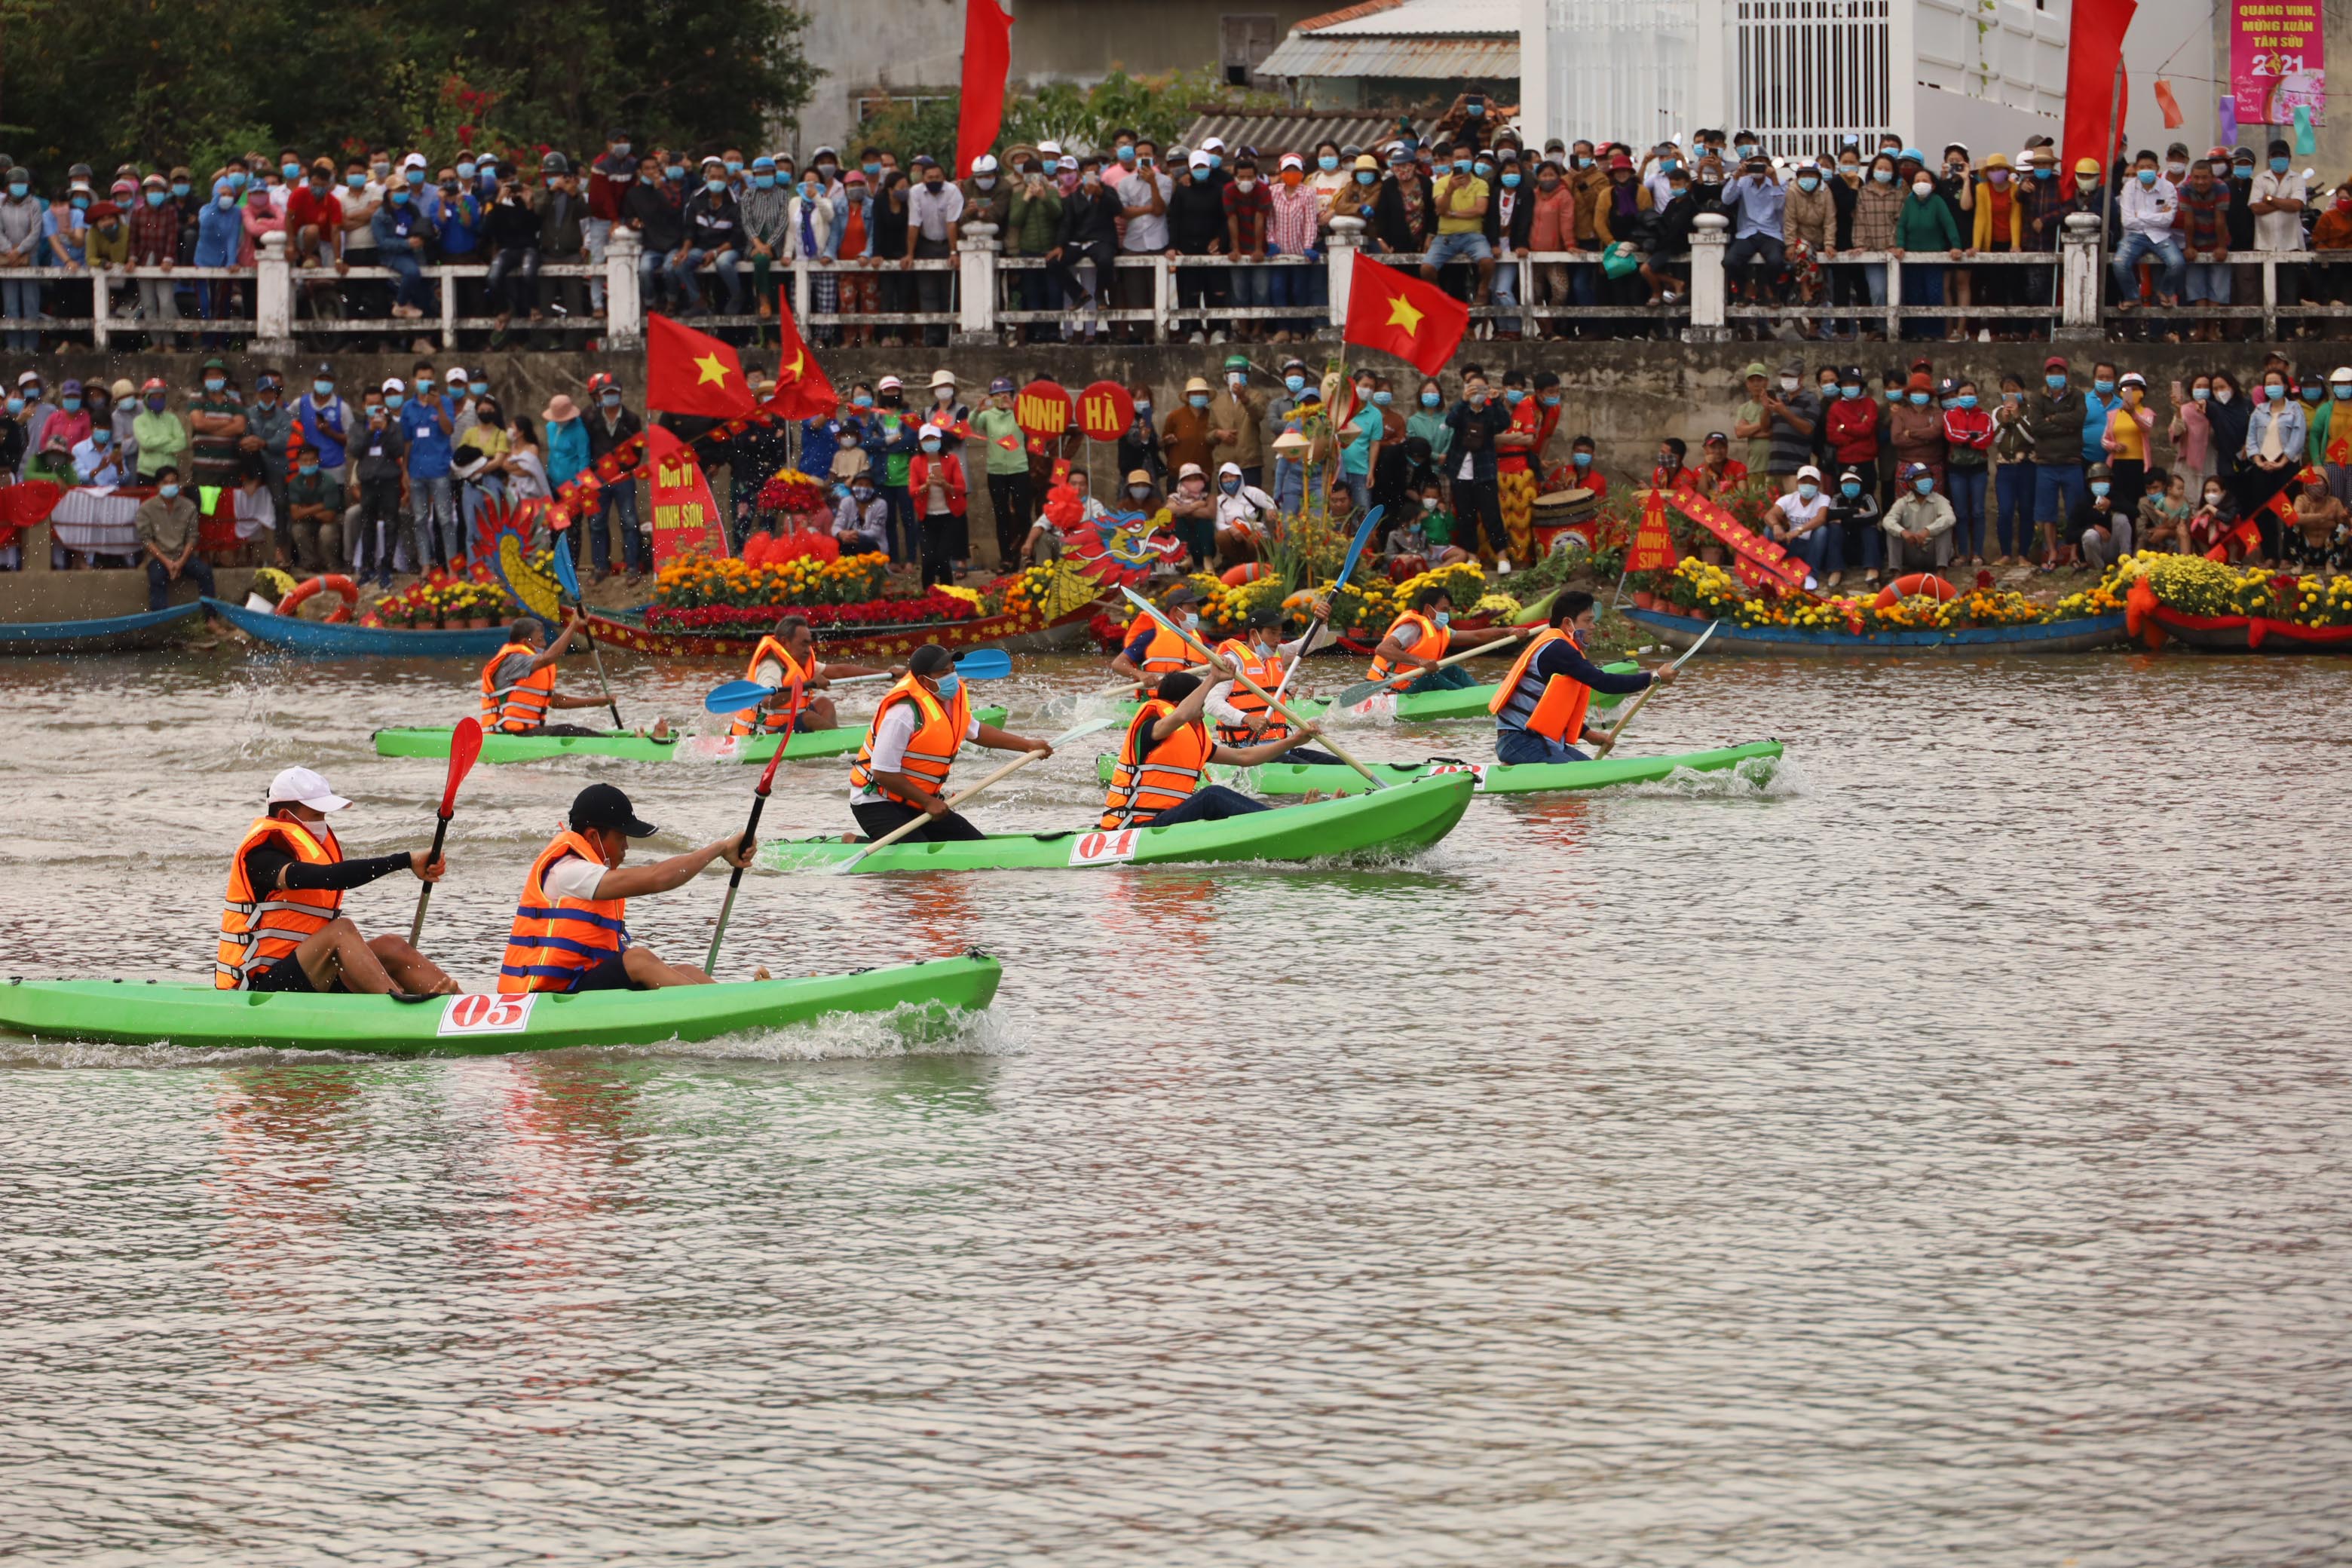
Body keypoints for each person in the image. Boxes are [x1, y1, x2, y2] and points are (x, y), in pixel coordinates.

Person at [218, 766, 457, 996]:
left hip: (312, 975)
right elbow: (328, 877)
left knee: (391, 946)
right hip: (262, 985)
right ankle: (398, 1005)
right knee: (341, 931)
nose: (322, 822)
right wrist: (405, 860)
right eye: (315, 815)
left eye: (323, 815)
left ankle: (461, 1008)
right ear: (283, 816)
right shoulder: (262, 856)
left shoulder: (307, 848)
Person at [499, 783, 754, 994]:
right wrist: (719, 849)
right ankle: (718, 1010)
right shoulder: (568, 873)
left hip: (580, 983)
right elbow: (658, 879)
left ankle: (740, 1003)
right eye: (621, 837)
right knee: (638, 960)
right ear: (592, 837)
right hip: (544, 996)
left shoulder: (586, 870)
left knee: (685, 971)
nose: (626, 847)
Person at [847, 645, 1054, 844]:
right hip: (877, 801)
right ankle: (854, 842)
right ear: (924, 680)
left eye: (953, 670)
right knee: (917, 859)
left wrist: (1027, 745)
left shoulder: (949, 700)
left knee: (975, 845)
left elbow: (977, 732)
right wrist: (929, 802)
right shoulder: (902, 713)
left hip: (916, 800)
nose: (952, 677)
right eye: (943, 673)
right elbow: (883, 773)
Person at [1101, 668, 1328, 828]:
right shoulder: (1152, 728)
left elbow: (1245, 756)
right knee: (1211, 796)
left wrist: (1293, 741)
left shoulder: (1196, 741)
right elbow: (1181, 715)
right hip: (1133, 826)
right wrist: (1212, 678)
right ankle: (1285, 821)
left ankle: (1280, 819)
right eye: (1200, 707)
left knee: (1213, 799)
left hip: (1166, 821)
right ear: (1184, 703)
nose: (1203, 714)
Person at [1490, 591, 1666, 765]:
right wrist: (1655, 677)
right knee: (1584, 786)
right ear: (1568, 623)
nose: (1593, 626)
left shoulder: (1561, 646)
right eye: (1588, 620)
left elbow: (1551, 708)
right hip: (1519, 742)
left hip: (1539, 741)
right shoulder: (1558, 648)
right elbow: (1604, 683)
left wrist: (1588, 734)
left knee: (1593, 773)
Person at [1206, 603, 1342, 765]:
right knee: (1305, 766)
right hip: (1246, 750)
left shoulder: (1277, 654)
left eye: (1279, 634)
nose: (1277, 639)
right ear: (1254, 634)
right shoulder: (1233, 662)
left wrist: (1321, 622)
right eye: (1272, 633)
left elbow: (1310, 643)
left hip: (1279, 746)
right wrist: (1248, 719)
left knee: (1338, 763)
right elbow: (1211, 704)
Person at [477, 615, 654, 738]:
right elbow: (550, 657)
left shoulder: (526, 662)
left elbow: (555, 701)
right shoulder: (513, 660)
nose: (544, 644)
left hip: (525, 733)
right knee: (567, 730)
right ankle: (623, 744)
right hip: (508, 734)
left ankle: (620, 739)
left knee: (572, 730)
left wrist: (599, 701)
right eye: (540, 639)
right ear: (525, 642)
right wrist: (574, 625)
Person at [730, 611, 887, 736]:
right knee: (809, 718)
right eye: (803, 644)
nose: (808, 650)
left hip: (784, 724)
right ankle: (841, 743)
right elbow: (767, 702)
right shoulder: (771, 666)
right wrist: (805, 686)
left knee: (824, 703)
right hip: (761, 734)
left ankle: (830, 740)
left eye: (809, 644)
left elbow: (840, 671)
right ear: (785, 642)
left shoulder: (800, 661)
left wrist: (884, 672)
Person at [1365, 584, 1522, 693]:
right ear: (1428, 609)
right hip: (1392, 690)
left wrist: (1508, 631)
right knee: (1431, 677)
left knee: (1454, 670)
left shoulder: (1441, 630)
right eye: (1443, 610)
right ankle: (1467, 699)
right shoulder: (1412, 628)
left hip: (1412, 684)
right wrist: (1420, 661)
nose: (1446, 615)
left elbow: (1477, 635)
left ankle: (1479, 695)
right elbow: (1382, 649)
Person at [135, 465, 213, 611]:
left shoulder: (189, 506)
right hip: (159, 557)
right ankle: (160, 621)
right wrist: (168, 563)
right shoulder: (146, 508)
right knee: (157, 578)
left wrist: (181, 561)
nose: (170, 486)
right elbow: (146, 540)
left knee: (205, 572)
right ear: (158, 485)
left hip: (183, 555)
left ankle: (210, 618)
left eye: (173, 482)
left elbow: (192, 537)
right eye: (166, 482)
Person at [1111, 581, 1205, 688]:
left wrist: (1225, 657)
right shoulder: (1151, 636)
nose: (1195, 614)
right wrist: (1140, 675)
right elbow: (1118, 664)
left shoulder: (1196, 638)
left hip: (1193, 698)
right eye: (1192, 609)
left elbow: (1215, 651)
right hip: (1159, 699)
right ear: (1175, 610)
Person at [1882, 462, 1958, 571]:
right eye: (1921, 478)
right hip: (1911, 551)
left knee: (1945, 529)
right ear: (1911, 484)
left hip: (1933, 553)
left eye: (1928, 477)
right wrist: (1904, 532)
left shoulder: (1940, 500)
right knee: (1893, 531)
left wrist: (1928, 531)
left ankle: (1941, 571)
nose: (1926, 481)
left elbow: (1950, 518)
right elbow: (1887, 520)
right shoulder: (1902, 502)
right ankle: (1896, 572)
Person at [2070, 463, 2132, 572]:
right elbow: (2070, 535)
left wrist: (2111, 505)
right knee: (2090, 534)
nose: (2100, 483)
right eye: (2096, 481)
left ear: (2110, 483)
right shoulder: (2082, 503)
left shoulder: (2116, 497)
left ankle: (2125, 563)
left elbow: (2134, 512)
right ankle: (2099, 570)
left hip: (2114, 546)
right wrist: (2092, 527)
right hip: (2094, 551)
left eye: (2104, 480)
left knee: (2120, 517)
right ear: (2089, 484)